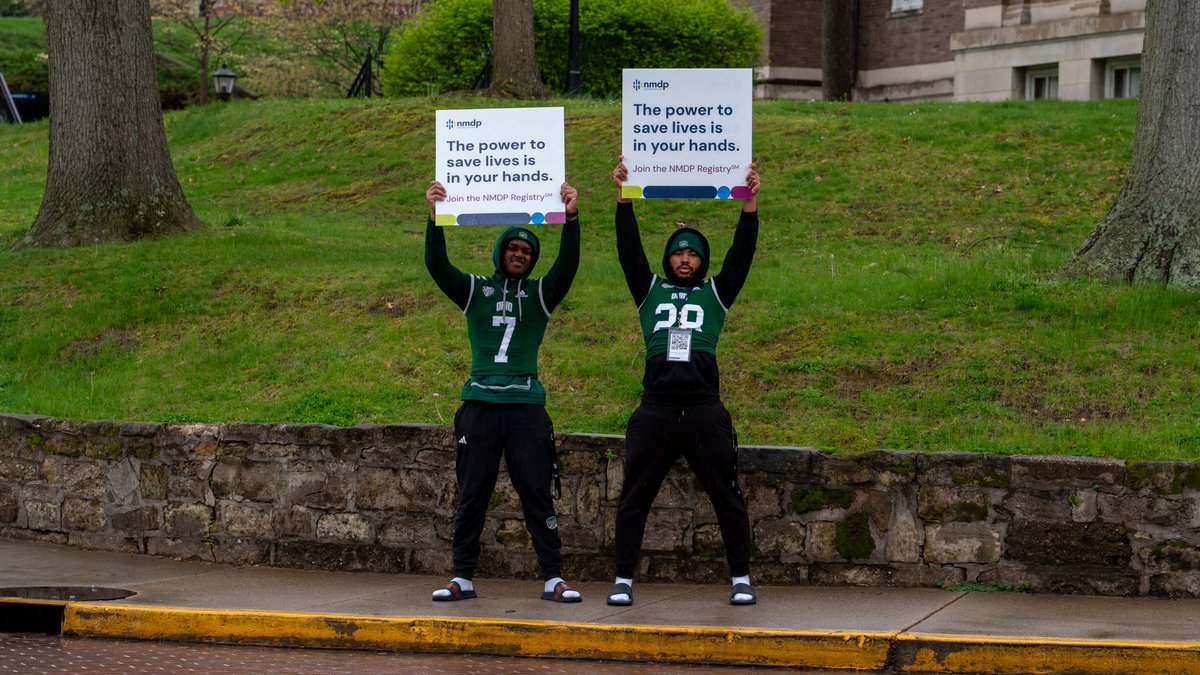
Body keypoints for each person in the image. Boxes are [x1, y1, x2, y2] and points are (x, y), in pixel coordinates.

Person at [607, 158, 760, 606]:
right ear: (668, 257)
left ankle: (740, 578)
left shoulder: (716, 292)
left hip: (702, 407)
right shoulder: (648, 289)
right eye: (679, 252)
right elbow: (627, 249)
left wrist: (749, 206)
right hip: (655, 406)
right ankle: (622, 578)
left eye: (693, 253)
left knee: (726, 494)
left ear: (702, 259)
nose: (686, 259)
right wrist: (623, 200)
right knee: (635, 494)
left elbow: (741, 255)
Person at [424, 179, 582, 604]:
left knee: (536, 490)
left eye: (527, 251)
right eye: (513, 248)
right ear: (500, 253)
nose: (519, 254)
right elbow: (437, 266)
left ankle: (553, 577)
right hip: (480, 403)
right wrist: (434, 218)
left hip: (526, 406)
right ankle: (463, 576)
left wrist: (571, 218)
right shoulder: (476, 289)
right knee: (472, 491)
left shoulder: (540, 294)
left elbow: (568, 265)